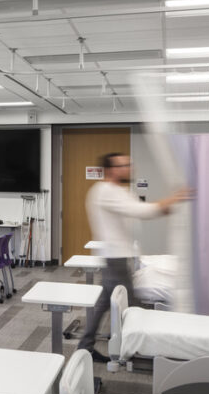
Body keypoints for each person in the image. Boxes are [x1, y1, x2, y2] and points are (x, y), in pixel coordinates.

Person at [78, 153, 192, 361]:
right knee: (130, 306)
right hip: (115, 259)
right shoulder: (106, 191)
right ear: (112, 170)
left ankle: (86, 346)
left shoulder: (115, 191)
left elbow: (144, 211)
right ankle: (133, 351)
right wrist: (175, 199)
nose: (131, 168)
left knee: (106, 302)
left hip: (118, 257)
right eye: (125, 165)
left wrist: (167, 207)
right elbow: (142, 211)